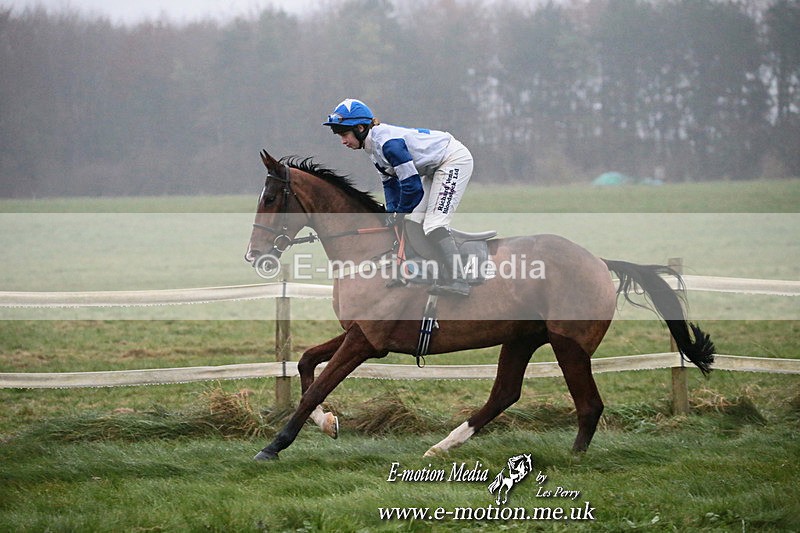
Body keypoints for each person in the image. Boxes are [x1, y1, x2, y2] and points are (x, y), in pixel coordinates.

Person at [323, 98, 474, 296]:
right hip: (434, 167)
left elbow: (413, 188)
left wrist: (399, 212)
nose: (343, 141)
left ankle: (460, 281)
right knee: (414, 222)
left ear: (360, 128)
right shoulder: (372, 146)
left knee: (434, 224)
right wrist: (391, 212)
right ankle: (435, 271)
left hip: (453, 160)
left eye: (344, 134)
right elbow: (390, 184)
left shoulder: (388, 145)